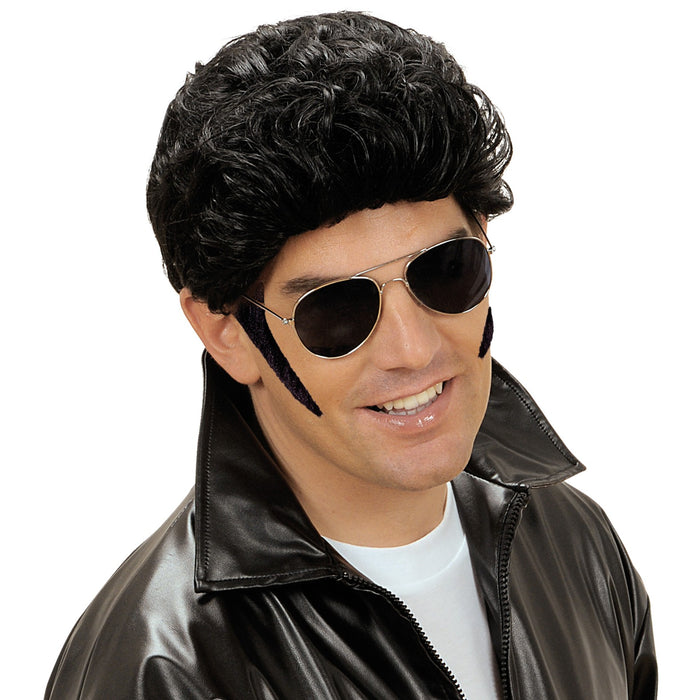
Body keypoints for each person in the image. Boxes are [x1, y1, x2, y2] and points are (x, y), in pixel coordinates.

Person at [45, 11, 657, 700]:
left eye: (445, 271)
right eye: (336, 310)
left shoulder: (577, 545)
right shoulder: (162, 669)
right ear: (226, 333)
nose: (413, 348)